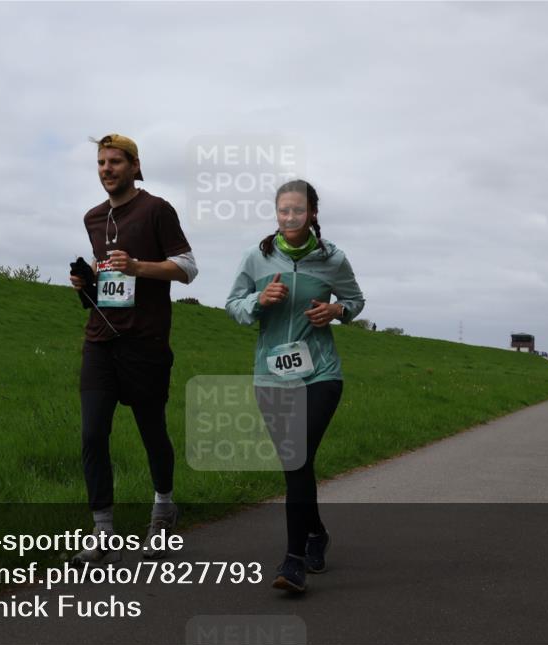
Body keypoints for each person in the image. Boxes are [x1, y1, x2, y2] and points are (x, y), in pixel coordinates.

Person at [226, 180, 364, 593]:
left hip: (320, 373)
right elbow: (233, 306)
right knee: (296, 465)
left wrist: (336, 309)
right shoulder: (258, 256)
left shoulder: (332, 259)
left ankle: (294, 560)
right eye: (283, 211)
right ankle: (316, 533)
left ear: (313, 214)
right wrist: (258, 301)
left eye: (298, 211)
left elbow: (356, 302)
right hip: (271, 375)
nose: (290, 218)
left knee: (297, 457)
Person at [69, 134, 198, 564]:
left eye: (116, 162)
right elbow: (107, 275)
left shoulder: (157, 210)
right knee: (92, 433)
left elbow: (187, 268)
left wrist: (139, 267)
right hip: (100, 339)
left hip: (145, 341)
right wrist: (86, 282)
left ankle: (164, 506)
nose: (107, 169)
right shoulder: (92, 217)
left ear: (135, 166)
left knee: (151, 431)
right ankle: (102, 530)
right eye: (102, 162)